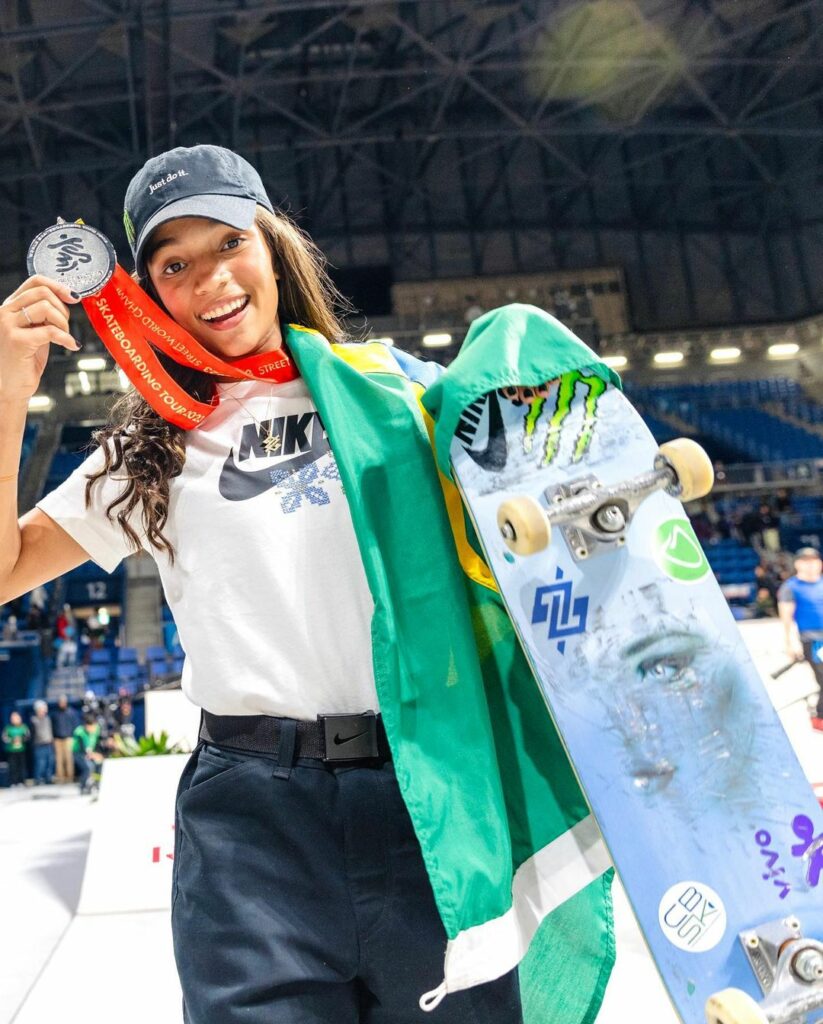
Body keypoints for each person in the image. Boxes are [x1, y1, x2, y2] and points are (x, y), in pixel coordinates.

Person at [0, 144, 614, 1023]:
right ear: (143, 294)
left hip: (426, 798)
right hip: (251, 827)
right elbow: (6, 568)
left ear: (272, 244)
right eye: (175, 264)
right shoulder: (149, 447)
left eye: (228, 243)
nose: (211, 278)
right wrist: (6, 393)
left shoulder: (397, 393)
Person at [778, 547, 823, 730]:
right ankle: (819, 715)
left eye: (814, 560)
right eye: (806, 560)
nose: (811, 564)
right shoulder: (791, 587)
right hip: (812, 640)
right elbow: (786, 618)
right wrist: (790, 643)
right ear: (797, 564)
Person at [72, 711, 103, 794]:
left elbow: (97, 743)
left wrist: (98, 754)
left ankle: (97, 784)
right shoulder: (79, 732)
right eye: (89, 727)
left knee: (99, 764)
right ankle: (83, 787)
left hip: (90, 752)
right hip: (78, 753)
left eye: (92, 727)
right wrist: (91, 755)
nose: (91, 730)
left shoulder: (97, 728)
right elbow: (82, 747)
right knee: (87, 768)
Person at [51, 694, 79, 782]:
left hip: (68, 738)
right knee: (59, 759)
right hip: (58, 739)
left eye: (63, 702)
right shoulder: (55, 714)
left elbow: (75, 725)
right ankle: (60, 777)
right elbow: (52, 726)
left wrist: (74, 737)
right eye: (60, 702)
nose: (62, 703)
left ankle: (70, 777)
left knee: (69, 758)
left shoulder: (71, 712)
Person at [29, 699, 54, 784]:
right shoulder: (33, 720)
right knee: (40, 763)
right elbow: (31, 734)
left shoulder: (48, 718)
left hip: (49, 744)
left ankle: (48, 778)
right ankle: (38, 779)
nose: (45, 710)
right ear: (38, 709)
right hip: (39, 745)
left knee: (50, 762)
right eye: (43, 708)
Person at [2, 710, 30, 786]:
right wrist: (12, 740)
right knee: (13, 767)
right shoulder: (8, 728)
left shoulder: (24, 727)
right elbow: (4, 738)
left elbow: (28, 736)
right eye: (13, 718)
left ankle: (21, 781)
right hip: (11, 751)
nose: (15, 719)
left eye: (16, 718)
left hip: (21, 750)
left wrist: (21, 739)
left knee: (21, 766)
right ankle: (13, 782)